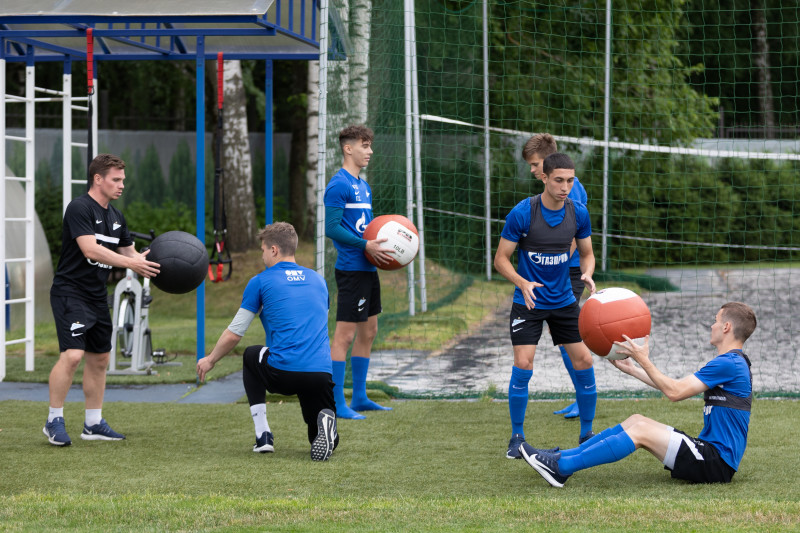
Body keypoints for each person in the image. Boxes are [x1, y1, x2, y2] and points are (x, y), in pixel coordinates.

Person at [520, 302, 757, 487]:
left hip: (716, 462)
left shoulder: (729, 363)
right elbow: (673, 386)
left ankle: (562, 468)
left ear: (726, 327)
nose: (712, 325)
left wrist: (643, 358)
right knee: (637, 420)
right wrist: (635, 370)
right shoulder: (730, 362)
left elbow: (674, 392)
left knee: (641, 431)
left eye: (715, 321)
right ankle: (560, 457)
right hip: (709, 454)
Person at [44, 153, 160, 446]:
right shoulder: (79, 208)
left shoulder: (116, 217)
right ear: (98, 179)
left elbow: (130, 254)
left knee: (100, 358)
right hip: (70, 292)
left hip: (97, 295)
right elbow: (90, 250)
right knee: (72, 355)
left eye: (123, 180)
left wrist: (159, 262)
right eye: (116, 179)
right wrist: (131, 264)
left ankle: (93, 423)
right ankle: (53, 420)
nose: (122, 185)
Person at [196, 222, 339, 461]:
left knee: (252, 355)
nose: (262, 256)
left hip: (282, 371)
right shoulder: (318, 280)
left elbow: (235, 332)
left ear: (274, 250)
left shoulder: (261, 282)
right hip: (321, 372)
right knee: (319, 433)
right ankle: (325, 432)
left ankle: (263, 436)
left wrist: (210, 360)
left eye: (262, 250)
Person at [494, 152, 598, 459]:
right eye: (559, 180)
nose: (565, 186)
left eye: (570, 180)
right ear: (544, 178)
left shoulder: (578, 213)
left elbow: (587, 253)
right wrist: (521, 282)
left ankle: (587, 433)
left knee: (585, 361)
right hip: (528, 301)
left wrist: (587, 273)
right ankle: (516, 438)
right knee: (524, 364)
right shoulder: (523, 212)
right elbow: (500, 259)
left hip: (564, 300)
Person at [323, 124, 395, 420]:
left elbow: (368, 228)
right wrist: (365, 245)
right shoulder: (338, 184)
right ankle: (337, 402)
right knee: (344, 335)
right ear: (347, 148)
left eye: (370, 145)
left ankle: (361, 396)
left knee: (370, 330)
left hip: (368, 268)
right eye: (364, 146)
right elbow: (331, 228)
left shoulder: (363, 185)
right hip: (351, 270)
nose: (370, 151)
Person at [522, 133, 588, 420]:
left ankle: (583, 397)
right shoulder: (552, 190)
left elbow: (572, 234)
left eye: (536, 164)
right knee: (561, 335)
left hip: (568, 271)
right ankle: (579, 395)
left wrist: (557, 267)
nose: (533, 170)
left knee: (567, 335)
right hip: (558, 270)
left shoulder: (569, 190)